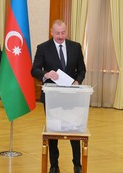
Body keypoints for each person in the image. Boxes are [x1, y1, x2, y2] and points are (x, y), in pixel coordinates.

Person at [31, 19, 86, 173]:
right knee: (53, 130)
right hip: (52, 96)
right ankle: (54, 165)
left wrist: (77, 81)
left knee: (73, 130)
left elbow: (82, 69)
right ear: (51, 31)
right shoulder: (43, 48)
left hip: (72, 95)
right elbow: (34, 69)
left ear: (66, 31)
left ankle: (77, 165)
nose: (60, 36)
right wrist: (46, 74)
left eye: (63, 33)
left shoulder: (75, 47)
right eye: (57, 33)